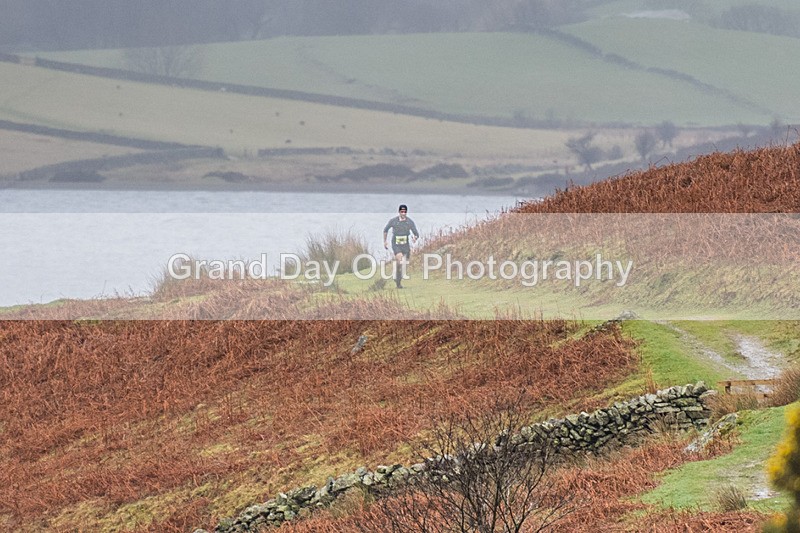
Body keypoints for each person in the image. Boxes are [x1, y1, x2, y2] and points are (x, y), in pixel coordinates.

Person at [383, 204, 419, 288]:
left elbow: (416, 233)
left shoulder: (409, 222)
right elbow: (385, 230)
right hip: (396, 244)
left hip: (405, 245)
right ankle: (397, 280)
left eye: (405, 212)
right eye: (402, 212)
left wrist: (415, 238)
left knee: (404, 264)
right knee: (400, 260)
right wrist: (385, 241)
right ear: (399, 212)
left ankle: (398, 280)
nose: (403, 213)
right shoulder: (393, 221)